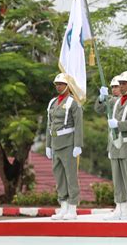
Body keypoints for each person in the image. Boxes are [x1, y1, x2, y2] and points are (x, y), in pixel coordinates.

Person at [95, 71, 127, 221]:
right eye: (120, 84)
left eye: (124, 84)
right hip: (115, 145)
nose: (121, 87)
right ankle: (121, 208)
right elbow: (99, 109)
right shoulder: (115, 101)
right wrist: (101, 98)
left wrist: (119, 124)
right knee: (117, 179)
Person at [45, 73, 83, 220]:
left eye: (61, 84)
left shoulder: (73, 103)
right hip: (55, 144)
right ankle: (63, 206)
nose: (58, 86)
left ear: (68, 86)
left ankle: (72, 208)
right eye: (56, 84)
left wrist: (78, 144)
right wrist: (48, 145)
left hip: (68, 143)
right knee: (59, 176)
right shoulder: (53, 103)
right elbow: (49, 125)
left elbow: (79, 125)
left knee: (70, 176)